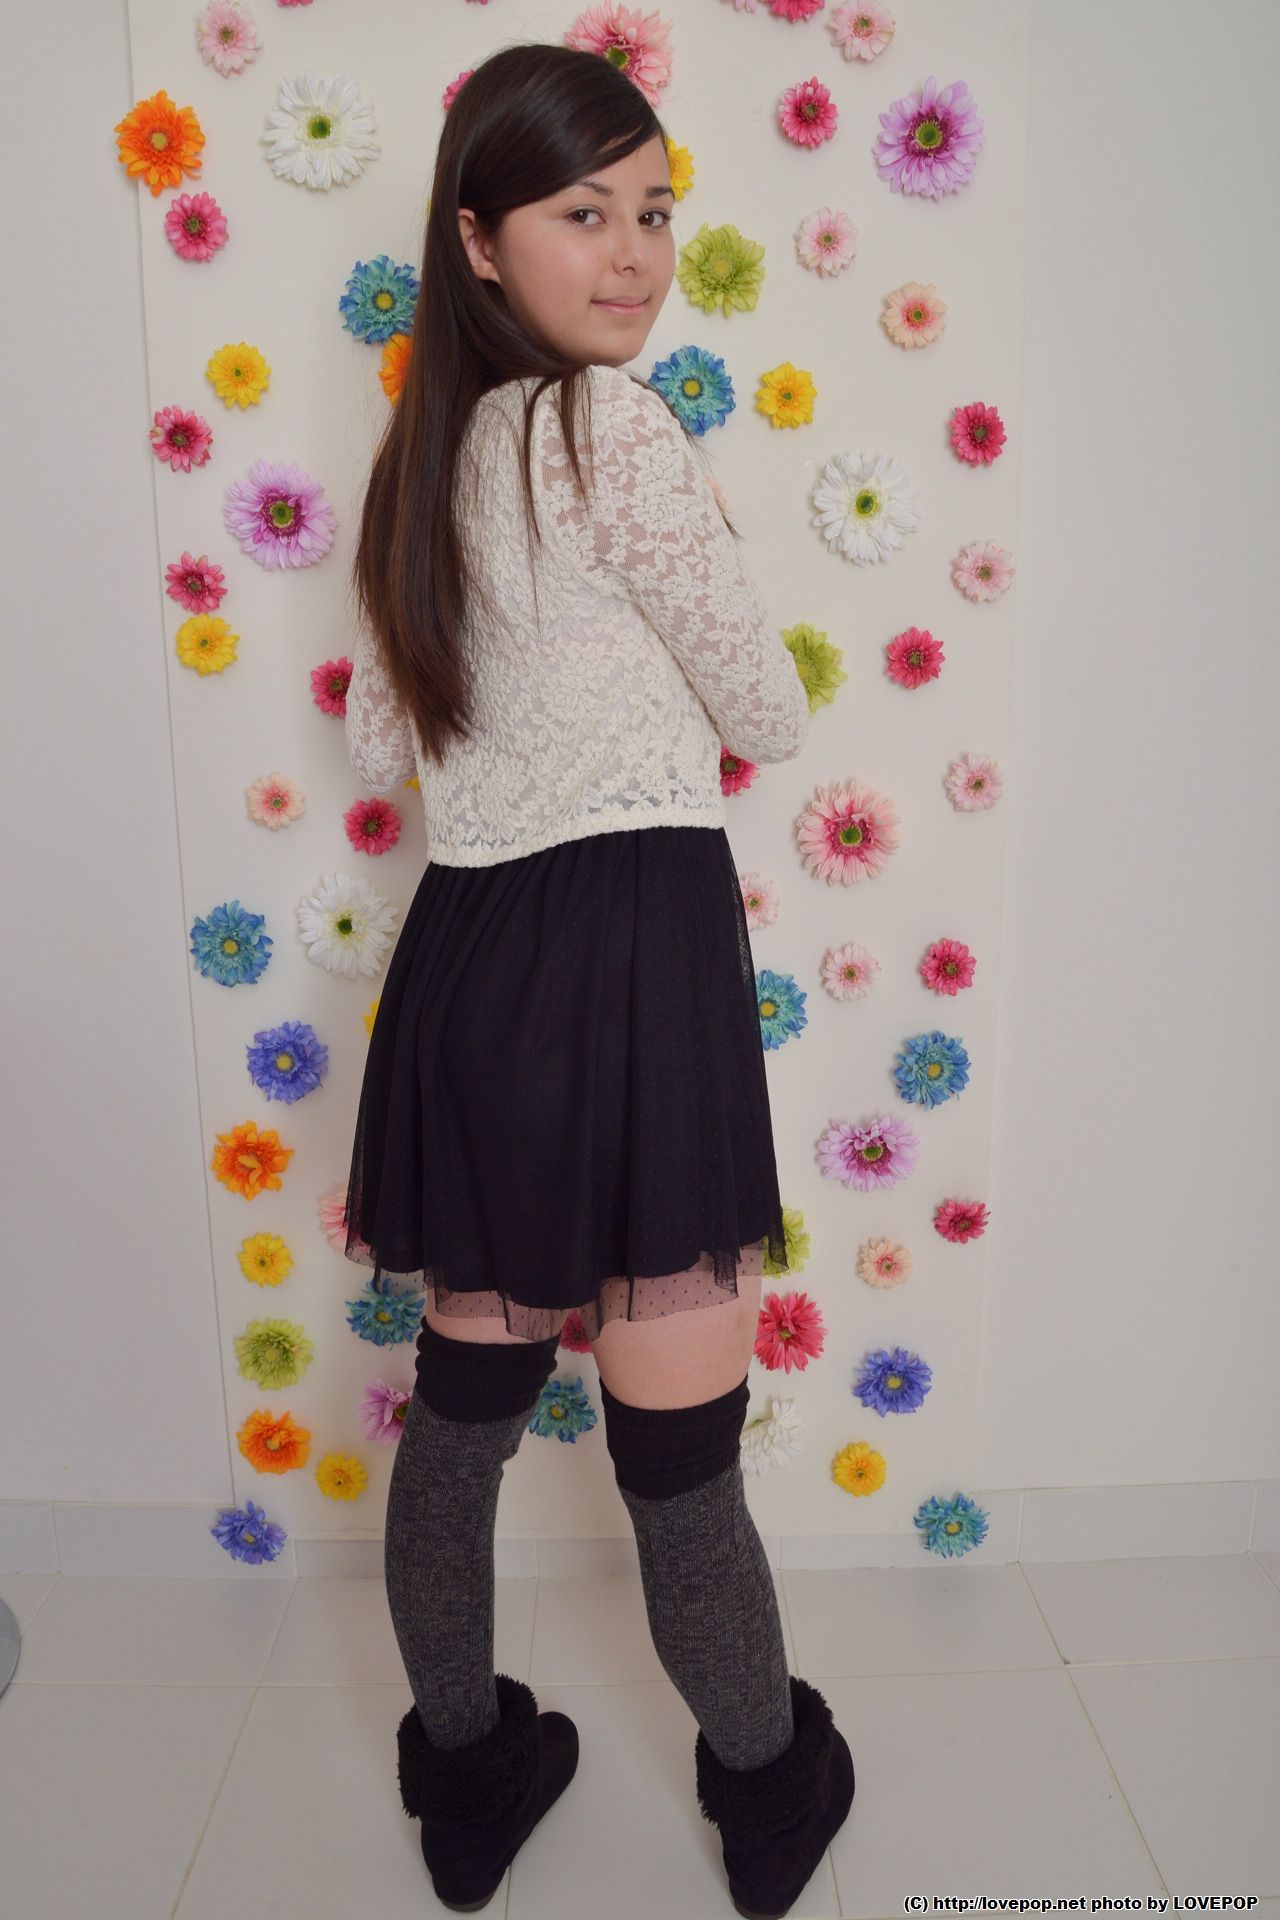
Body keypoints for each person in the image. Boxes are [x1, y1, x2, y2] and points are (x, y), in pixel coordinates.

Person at [340, 40, 853, 1918]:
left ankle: (467, 1784)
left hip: (470, 967)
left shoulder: (422, 465)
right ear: (481, 240)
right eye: (584, 213)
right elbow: (769, 712)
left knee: (459, 1422)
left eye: (654, 211)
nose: (633, 254)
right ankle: (770, 1789)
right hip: (631, 960)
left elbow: (407, 750)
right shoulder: (609, 430)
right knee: (679, 1456)